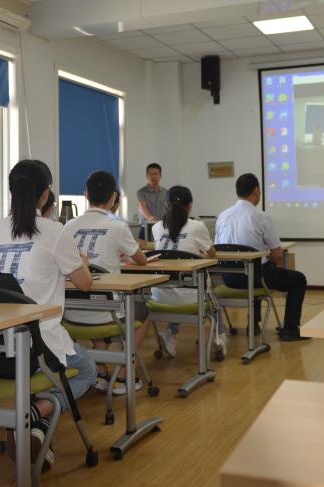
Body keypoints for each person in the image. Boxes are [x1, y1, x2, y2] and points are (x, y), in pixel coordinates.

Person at [0, 160, 96, 469]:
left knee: (46, 371)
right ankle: (36, 412)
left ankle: (35, 426)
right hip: (39, 344)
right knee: (88, 371)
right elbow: (84, 284)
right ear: (45, 195)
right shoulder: (54, 231)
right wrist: (81, 262)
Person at [63, 171, 150, 394]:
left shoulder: (68, 226)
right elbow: (141, 261)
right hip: (107, 312)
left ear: (85, 195)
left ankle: (100, 372)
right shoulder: (117, 226)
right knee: (143, 311)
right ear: (113, 198)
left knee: (96, 299)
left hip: (71, 312)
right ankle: (123, 374)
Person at [215, 174, 310, 342]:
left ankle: (254, 324)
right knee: (298, 279)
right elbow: (277, 254)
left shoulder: (222, 216)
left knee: (256, 268)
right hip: (255, 278)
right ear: (256, 191)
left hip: (229, 278)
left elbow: (217, 249)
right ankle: (290, 329)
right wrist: (273, 264)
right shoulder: (261, 217)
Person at [150, 185, 215, 357]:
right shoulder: (197, 226)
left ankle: (169, 333)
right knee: (213, 300)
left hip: (159, 295)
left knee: (178, 286)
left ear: (166, 204)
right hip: (191, 296)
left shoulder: (156, 227)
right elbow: (212, 254)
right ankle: (219, 339)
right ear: (190, 205)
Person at [136, 163, 167, 241]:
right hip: (146, 228)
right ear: (147, 176)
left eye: (155, 174)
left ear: (160, 176)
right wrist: (150, 218)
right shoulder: (141, 192)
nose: (153, 176)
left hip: (162, 228)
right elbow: (142, 206)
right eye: (150, 174)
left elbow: (169, 208)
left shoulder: (166, 192)